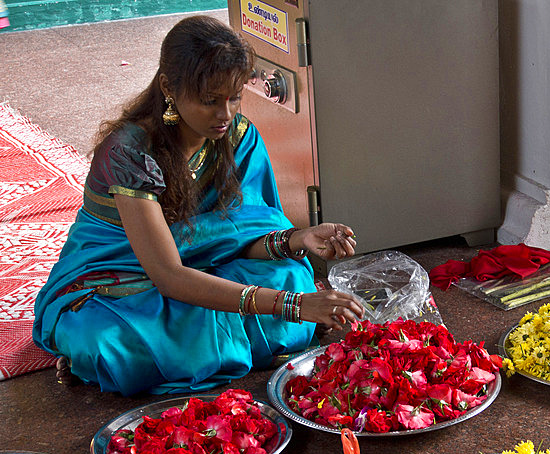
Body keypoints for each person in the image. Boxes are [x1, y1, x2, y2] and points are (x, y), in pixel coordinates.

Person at [32, 15, 364, 396]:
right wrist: (294, 306)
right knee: (105, 340)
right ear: (169, 88)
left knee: (288, 274)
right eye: (209, 101)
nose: (225, 114)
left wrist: (298, 239)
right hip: (125, 276)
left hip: (206, 267)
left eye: (234, 97)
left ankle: (203, 346)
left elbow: (237, 235)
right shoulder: (128, 153)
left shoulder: (239, 138)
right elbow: (169, 275)